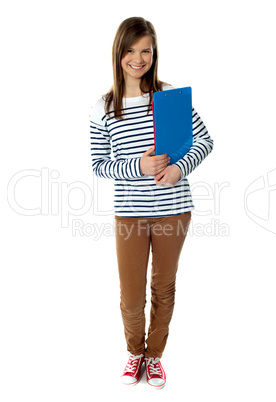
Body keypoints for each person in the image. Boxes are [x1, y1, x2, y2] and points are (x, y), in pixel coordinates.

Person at [90, 16, 214, 389]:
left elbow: (204, 141)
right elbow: (99, 166)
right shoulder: (104, 107)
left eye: (146, 50)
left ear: (154, 53)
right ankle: (134, 353)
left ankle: (155, 357)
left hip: (174, 209)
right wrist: (139, 166)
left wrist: (178, 169)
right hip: (129, 214)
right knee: (131, 294)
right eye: (130, 50)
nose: (138, 58)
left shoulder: (169, 96)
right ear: (119, 52)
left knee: (163, 287)